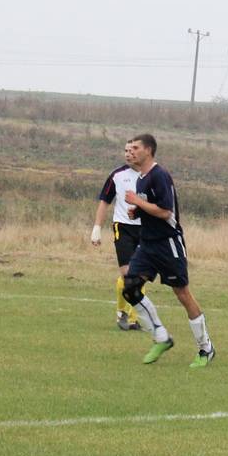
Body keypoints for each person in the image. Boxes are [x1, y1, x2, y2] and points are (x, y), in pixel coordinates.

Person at [120, 133, 215, 368]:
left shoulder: (159, 175)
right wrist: (137, 211)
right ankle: (161, 337)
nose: (131, 152)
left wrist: (137, 202)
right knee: (130, 287)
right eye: (129, 148)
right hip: (148, 244)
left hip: (168, 243)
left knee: (182, 293)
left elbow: (165, 212)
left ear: (148, 150)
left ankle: (205, 348)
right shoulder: (142, 179)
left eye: (136, 148)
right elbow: (150, 208)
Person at [90, 139, 143, 331]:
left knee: (140, 275)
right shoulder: (117, 175)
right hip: (123, 228)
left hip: (145, 229)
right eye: (125, 150)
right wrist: (97, 228)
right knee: (128, 274)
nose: (128, 154)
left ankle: (133, 319)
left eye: (132, 150)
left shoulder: (152, 175)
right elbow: (104, 201)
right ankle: (122, 311)